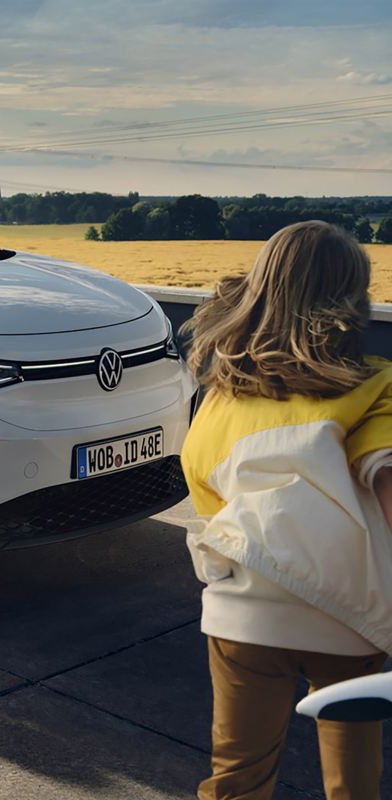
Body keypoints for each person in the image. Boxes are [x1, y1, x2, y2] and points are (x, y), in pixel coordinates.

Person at [180, 220, 392, 800]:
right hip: (346, 610)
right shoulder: (377, 386)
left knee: (237, 776)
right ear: (352, 296)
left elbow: (204, 493)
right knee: (353, 778)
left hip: (242, 608)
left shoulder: (221, 394)